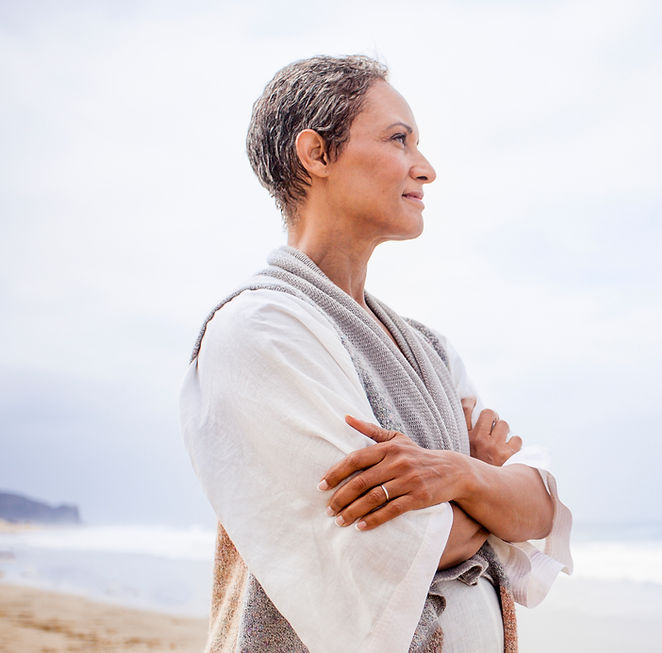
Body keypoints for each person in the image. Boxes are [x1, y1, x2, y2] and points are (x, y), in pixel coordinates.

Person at [180, 55, 572, 653]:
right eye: (398, 139)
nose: (427, 168)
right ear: (316, 155)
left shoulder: (429, 349)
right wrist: (491, 498)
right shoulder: (257, 331)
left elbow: (543, 507)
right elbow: (385, 543)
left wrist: (459, 473)